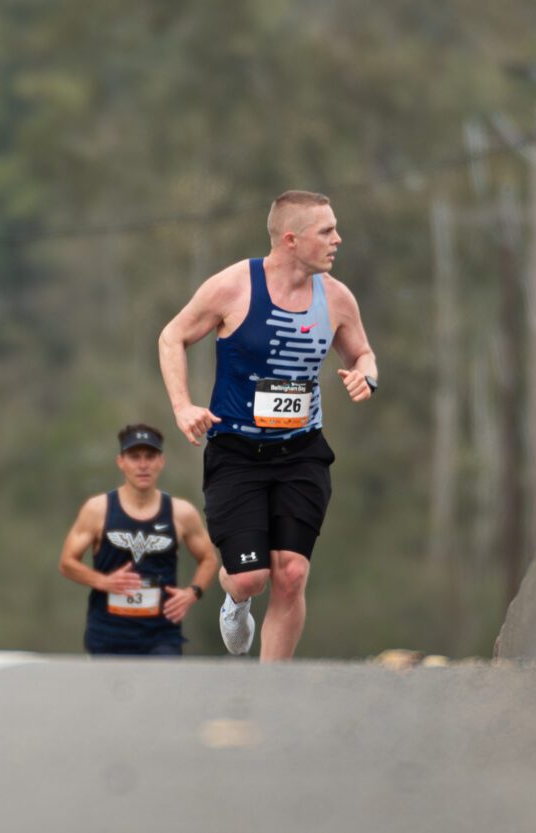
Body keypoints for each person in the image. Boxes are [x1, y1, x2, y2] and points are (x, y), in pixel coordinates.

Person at [157, 189, 377, 662]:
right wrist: (182, 406)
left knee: (292, 573)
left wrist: (366, 376)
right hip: (237, 454)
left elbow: (361, 352)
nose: (338, 239)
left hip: (302, 453)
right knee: (248, 577)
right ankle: (236, 602)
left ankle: (272, 687)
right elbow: (172, 335)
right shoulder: (233, 287)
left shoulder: (336, 298)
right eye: (327, 231)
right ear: (292, 240)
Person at [58, 424, 218, 656]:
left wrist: (192, 593)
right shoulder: (98, 509)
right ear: (121, 462)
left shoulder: (180, 513)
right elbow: (67, 562)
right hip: (108, 632)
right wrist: (103, 581)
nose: (143, 465)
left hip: (161, 634)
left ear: (160, 461)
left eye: (150, 457)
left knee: (161, 690)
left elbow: (209, 558)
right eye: (135, 457)